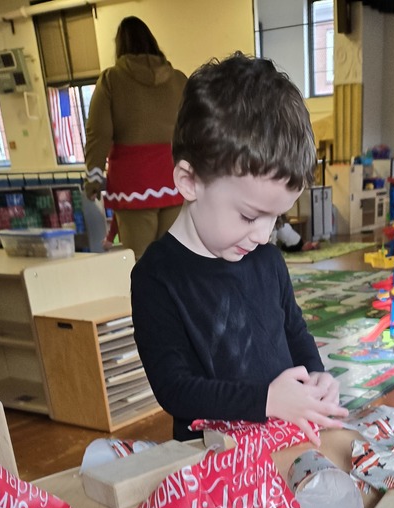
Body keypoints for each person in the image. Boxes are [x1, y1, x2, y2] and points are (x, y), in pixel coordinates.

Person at [130, 53, 347, 445]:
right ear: (190, 181)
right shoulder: (156, 278)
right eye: (250, 217)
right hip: (214, 459)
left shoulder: (267, 259)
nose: (263, 236)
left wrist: (317, 374)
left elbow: (294, 331)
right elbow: (175, 389)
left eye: (276, 219)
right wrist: (265, 401)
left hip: (282, 440)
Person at [83, 17, 187, 261]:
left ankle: (146, 301)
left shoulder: (111, 80)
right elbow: (195, 130)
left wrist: (94, 178)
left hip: (132, 183)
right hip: (175, 179)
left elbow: (98, 134)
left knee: (139, 261)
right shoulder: (179, 80)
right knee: (175, 258)